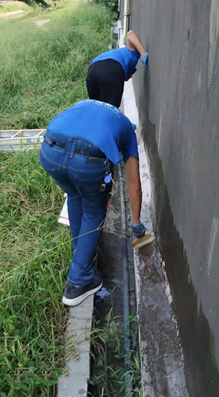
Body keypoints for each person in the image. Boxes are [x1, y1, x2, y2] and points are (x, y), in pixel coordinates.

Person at [40, 99, 147, 306]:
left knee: (74, 196)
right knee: (93, 209)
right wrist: (136, 225)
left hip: (50, 151)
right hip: (87, 161)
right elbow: (134, 185)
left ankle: (81, 255)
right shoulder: (126, 128)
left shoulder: (84, 104)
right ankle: (78, 282)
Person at [86, 30, 148, 108]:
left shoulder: (117, 55)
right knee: (112, 109)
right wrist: (143, 53)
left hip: (92, 70)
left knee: (96, 107)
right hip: (112, 68)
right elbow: (130, 34)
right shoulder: (132, 52)